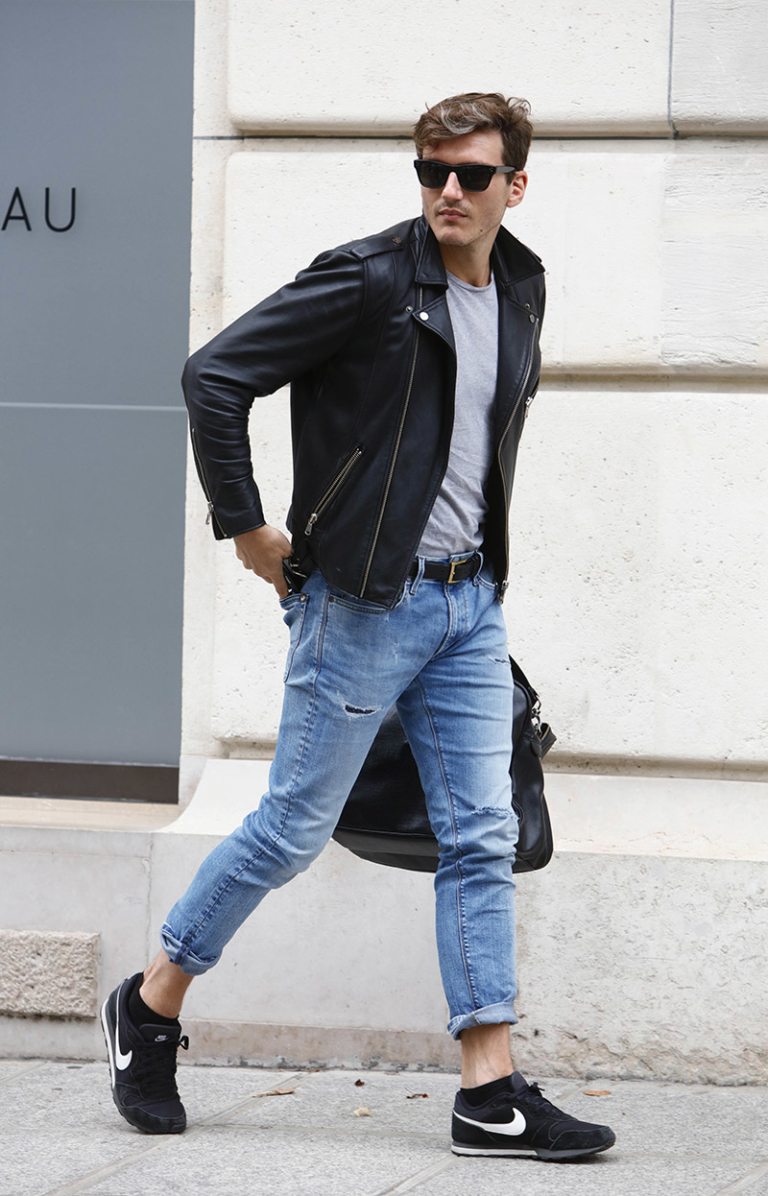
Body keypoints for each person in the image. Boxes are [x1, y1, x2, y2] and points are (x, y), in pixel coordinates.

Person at [102, 92, 615, 1162]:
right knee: (292, 829)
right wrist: (249, 528)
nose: (448, 193)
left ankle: (489, 1087)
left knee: (481, 836)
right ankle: (151, 1002)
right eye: (432, 171)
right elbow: (214, 376)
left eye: (473, 175)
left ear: (515, 185)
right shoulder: (371, 278)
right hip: (363, 605)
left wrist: (484, 573)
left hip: (469, 606)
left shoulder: (521, 285)